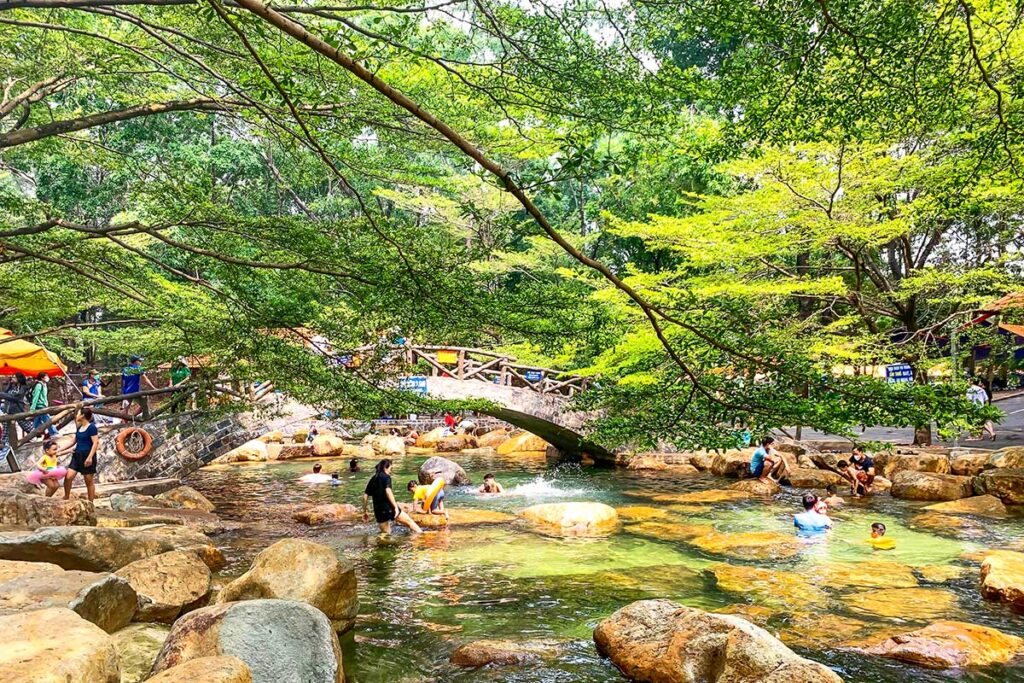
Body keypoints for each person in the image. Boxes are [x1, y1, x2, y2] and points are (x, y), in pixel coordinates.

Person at [363, 459, 421, 534]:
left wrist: (364, 511)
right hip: (389, 507)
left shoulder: (373, 479)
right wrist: (395, 507)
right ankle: (422, 536)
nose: (391, 471)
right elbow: (388, 491)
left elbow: (365, 496)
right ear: (385, 468)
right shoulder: (386, 477)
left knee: (386, 534)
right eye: (391, 468)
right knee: (409, 522)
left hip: (378, 510)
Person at [62, 408, 99, 501]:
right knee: (68, 477)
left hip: (87, 455)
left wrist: (90, 457)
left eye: (78, 413)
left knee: (88, 481)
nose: (76, 416)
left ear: (82, 415)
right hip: (77, 455)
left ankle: (91, 503)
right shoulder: (79, 427)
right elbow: (73, 441)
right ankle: (66, 496)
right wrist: (60, 449)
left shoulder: (92, 427)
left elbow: (95, 443)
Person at [29, 372, 57, 438]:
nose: (48, 378)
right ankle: (54, 433)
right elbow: (36, 397)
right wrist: (32, 408)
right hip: (40, 406)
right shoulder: (39, 385)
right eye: (46, 376)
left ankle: (36, 435)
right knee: (48, 420)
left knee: (36, 422)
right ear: (42, 378)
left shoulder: (44, 385)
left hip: (43, 405)